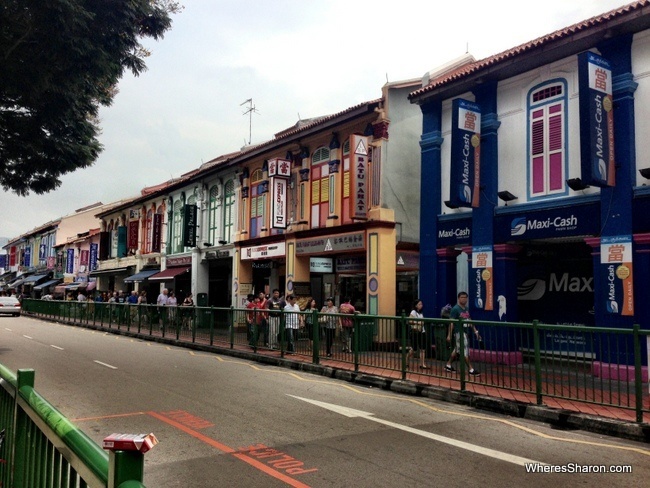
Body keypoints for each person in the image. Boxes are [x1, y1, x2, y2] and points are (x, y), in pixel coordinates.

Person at [445, 291, 481, 376]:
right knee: (464, 350)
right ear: (458, 298)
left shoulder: (466, 309)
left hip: (465, 331)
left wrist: (475, 331)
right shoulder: (455, 309)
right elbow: (451, 322)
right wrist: (449, 335)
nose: (464, 299)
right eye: (462, 297)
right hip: (459, 332)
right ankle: (471, 369)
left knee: (457, 349)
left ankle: (448, 365)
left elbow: (470, 320)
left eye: (465, 297)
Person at [408, 299, 429, 370]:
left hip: (422, 331)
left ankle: (422, 364)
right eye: (419, 304)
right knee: (413, 349)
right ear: (416, 305)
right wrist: (418, 323)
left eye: (421, 304)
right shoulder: (413, 312)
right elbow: (410, 321)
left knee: (422, 349)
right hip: (415, 332)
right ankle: (406, 359)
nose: (421, 305)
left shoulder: (421, 313)